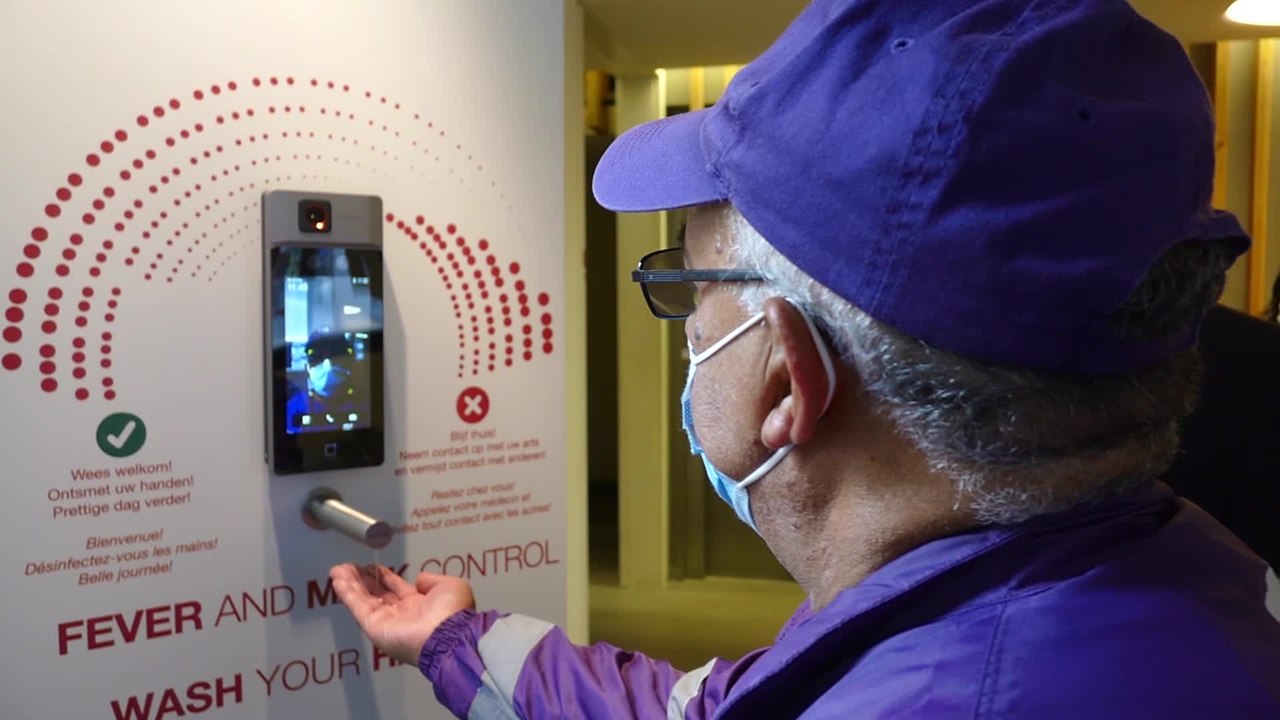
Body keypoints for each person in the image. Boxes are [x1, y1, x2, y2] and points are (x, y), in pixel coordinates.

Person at [330, 0, 1280, 717]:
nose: (693, 327)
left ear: (785, 377)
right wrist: (455, 640)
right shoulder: (1185, 576)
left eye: (692, 286)